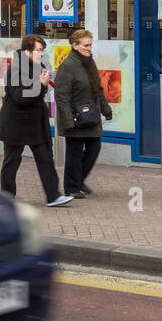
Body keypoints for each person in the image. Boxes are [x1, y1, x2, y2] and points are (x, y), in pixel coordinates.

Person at [0, 34, 72, 207]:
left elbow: (40, 92)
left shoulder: (39, 66)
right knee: (11, 160)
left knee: (45, 157)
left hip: (35, 123)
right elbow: (19, 97)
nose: (41, 54)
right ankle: (6, 197)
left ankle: (53, 195)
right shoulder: (16, 69)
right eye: (38, 50)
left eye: (42, 50)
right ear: (27, 51)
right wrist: (41, 85)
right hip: (15, 123)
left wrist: (46, 85)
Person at [54, 28, 113, 198]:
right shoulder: (68, 66)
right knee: (75, 152)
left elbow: (98, 89)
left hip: (90, 114)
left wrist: (106, 109)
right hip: (75, 117)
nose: (89, 48)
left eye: (90, 45)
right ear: (75, 46)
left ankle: (78, 180)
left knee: (95, 147)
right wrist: (68, 122)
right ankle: (72, 187)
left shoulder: (89, 62)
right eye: (86, 45)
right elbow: (61, 96)